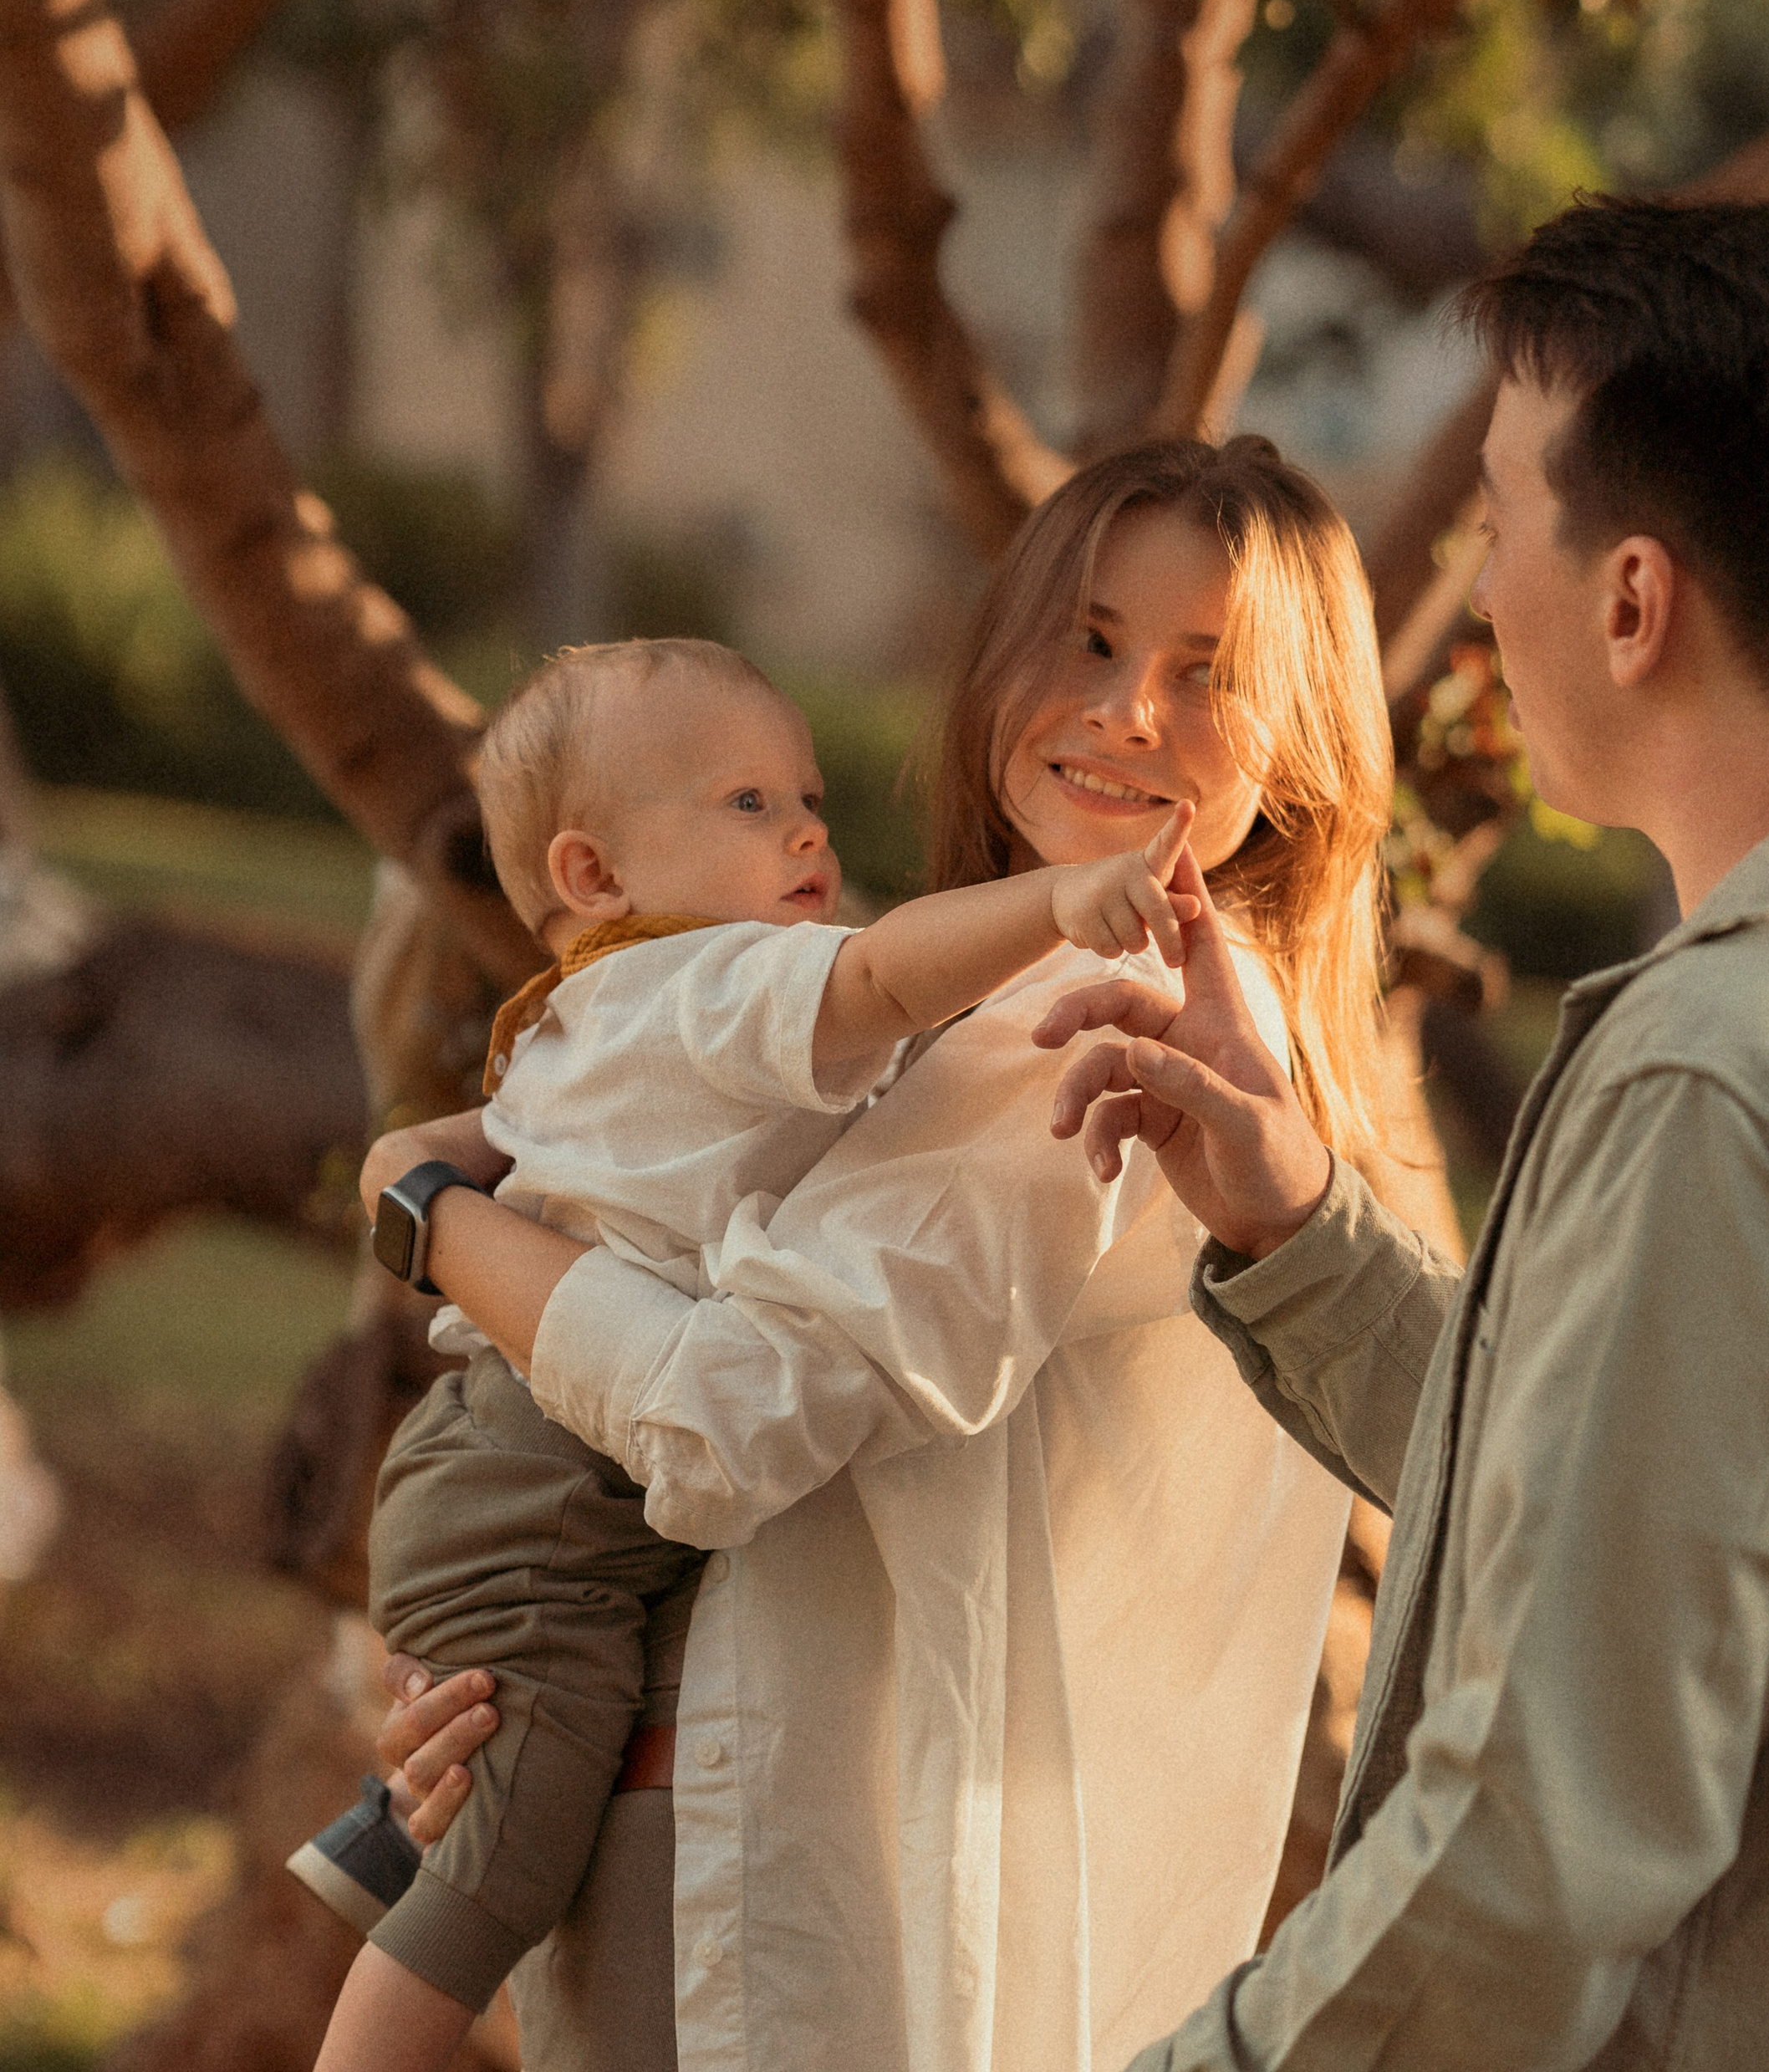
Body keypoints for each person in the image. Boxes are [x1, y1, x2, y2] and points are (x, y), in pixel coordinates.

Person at [1040, 196, 1769, 2069]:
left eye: (1491, 513)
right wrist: (1295, 1220)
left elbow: (1529, 1852)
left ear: (1630, 597)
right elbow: (1679, 1534)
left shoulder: (1730, 1076)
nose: (1476, 585)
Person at [359, 436, 1399, 2072]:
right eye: (1089, 638)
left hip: (779, 1890)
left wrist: (434, 1219)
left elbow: (724, 1419)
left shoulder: (1102, 1014)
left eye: (1206, 674)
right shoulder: (1125, 999)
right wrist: (513, 1649)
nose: (1125, 709)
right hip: (711, 1813)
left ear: (1306, 747)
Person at [300, 635, 1205, 2072]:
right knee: (497, 1868)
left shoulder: (598, 1015)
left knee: (507, 1778)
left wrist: (415, 1190)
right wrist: (1059, 903)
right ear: (595, 878)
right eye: (743, 805)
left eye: (805, 795)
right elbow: (886, 979)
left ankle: (363, 1847)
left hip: (506, 1462)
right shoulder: (706, 990)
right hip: (537, 1485)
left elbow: (458, 1170)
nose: (805, 829)